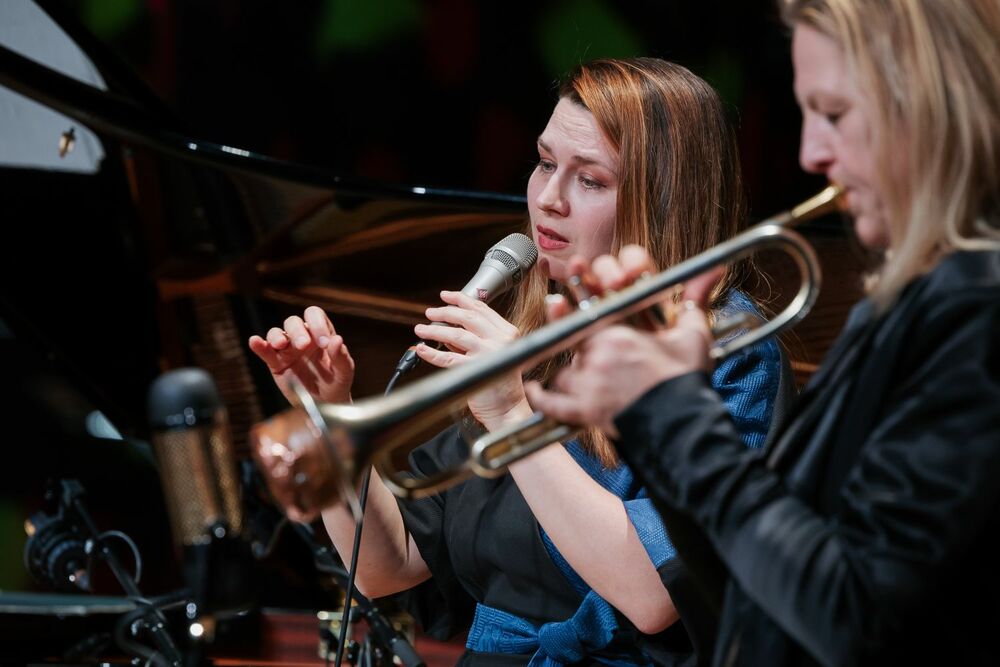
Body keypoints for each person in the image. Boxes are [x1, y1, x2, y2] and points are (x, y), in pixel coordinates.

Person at [250, 58, 787, 665]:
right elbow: (387, 566)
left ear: (664, 200)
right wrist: (329, 409)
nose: (548, 199)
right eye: (545, 163)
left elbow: (652, 595)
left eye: (590, 180)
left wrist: (512, 415)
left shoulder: (729, 344)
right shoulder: (537, 334)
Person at [526, 2, 1000, 665]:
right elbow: (748, 600)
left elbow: (853, 617)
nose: (812, 152)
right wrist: (665, 426)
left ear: (933, 105)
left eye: (834, 113)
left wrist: (676, 417)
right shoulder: (906, 306)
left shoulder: (978, 314)